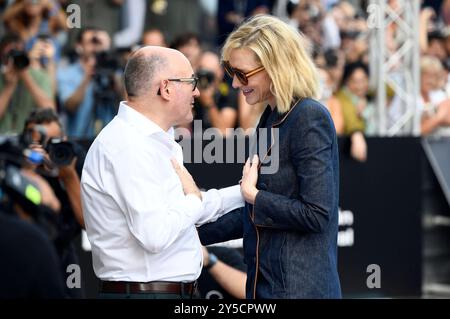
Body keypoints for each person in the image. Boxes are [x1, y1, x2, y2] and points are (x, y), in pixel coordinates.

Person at [80, 46, 244, 299]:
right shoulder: (127, 146)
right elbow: (155, 234)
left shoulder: (151, 140)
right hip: (145, 294)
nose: (198, 92)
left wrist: (247, 191)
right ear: (165, 88)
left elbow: (189, 209)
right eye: (192, 82)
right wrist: (192, 200)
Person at [198, 15, 342, 299]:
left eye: (242, 73)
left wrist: (254, 196)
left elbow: (317, 214)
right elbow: (254, 215)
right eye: (230, 71)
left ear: (274, 67)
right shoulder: (270, 118)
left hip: (301, 290)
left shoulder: (309, 117)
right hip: (266, 288)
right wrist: (185, 234)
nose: (236, 84)